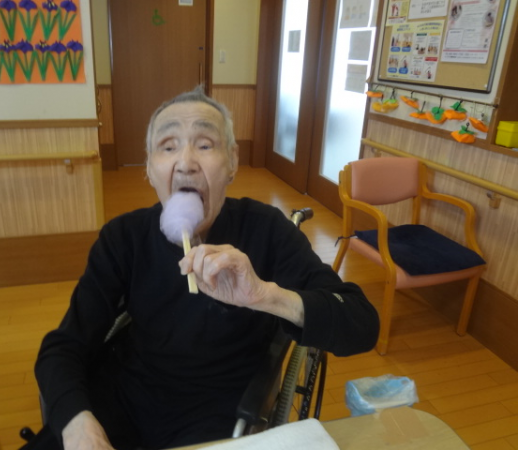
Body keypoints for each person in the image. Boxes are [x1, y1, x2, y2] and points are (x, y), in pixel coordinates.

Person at [28, 87, 379, 450]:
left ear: (232, 162)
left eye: (205, 144)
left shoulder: (267, 230)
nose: (185, 162)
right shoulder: (123, 238)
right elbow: (62, 347)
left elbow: (361, 323)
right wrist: (77, 423)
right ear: (149, 168)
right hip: (124, 400)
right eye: (168, 146)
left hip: (217, 414)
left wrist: (265, 295)